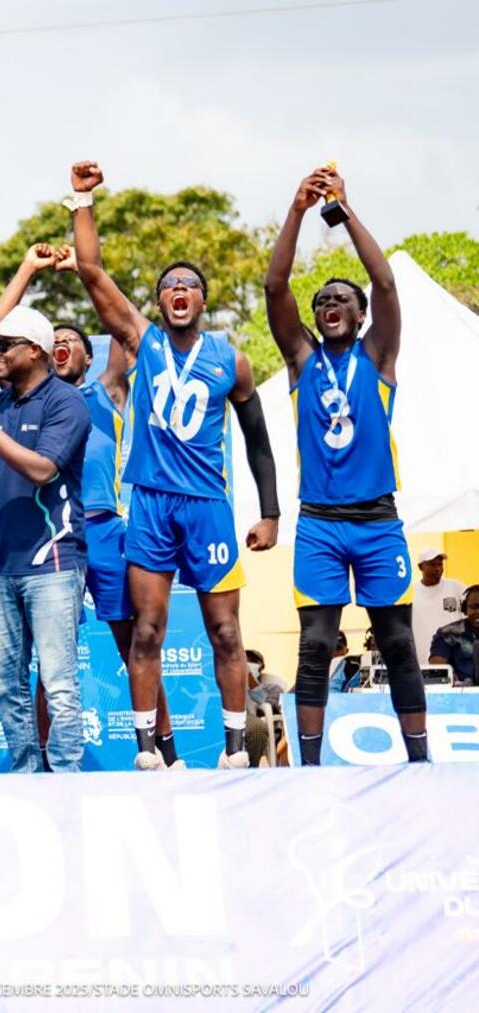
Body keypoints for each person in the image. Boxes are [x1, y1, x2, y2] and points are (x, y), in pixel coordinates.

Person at [70, 160, 280, 770]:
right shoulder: (144, 341)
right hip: (152, 504)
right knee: (147, 628)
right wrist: (82, 199)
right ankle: (148, 752)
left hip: (208, 506)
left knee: (226, 632)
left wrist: (269, 513)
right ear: (160, 301)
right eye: (168, 285)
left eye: (188, 283)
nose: (178, 290)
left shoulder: (231, 360)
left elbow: (259, 441)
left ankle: (234, 750)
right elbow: (91, 271)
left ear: (203, 299)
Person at [0, 243, 186, 771]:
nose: (62, 346)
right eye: (55, 340)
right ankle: (45, 763)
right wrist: (27, 270)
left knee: (135, 645)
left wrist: (86, 269)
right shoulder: (22, 399)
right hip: (51, 541)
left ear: (88, 357)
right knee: (49, 662)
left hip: (104, 532)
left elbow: (122, 324)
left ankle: (163, 752)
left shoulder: (107, 391)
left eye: (72, 342)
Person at [264, 165, 427, 764]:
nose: (331, 303)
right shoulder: (301, 360)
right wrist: (298, 209)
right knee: (315, 644)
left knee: (397, 642)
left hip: (378, 521)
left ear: (359, 318)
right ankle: (309, 767)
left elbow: (385, 283)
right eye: (323, 301)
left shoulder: (377, 357)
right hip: (320, 524)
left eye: (342, 300)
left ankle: (419, 762)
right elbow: (275, 288)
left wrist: (345, 210)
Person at [0, 298, 88, 773]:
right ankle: (28, 773)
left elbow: (44, 469)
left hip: (54, 562)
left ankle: (66, 776)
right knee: (5, 681)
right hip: (4, 565)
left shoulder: (65, 401)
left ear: (37, 350)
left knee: (58, 683)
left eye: (6, 344)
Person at [412, 549, 465, 671]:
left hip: (456, 661)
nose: (438, 569)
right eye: (432, 565)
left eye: (440, 564)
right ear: (420, 567)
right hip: (420, 660)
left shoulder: (456, 587)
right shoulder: (411, 593)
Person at [429, 585, 479, 686]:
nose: (478, 612)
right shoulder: (448, 633)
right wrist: (452, 679)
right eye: (474, 607)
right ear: (465, 608)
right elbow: (437, 668)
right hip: (460, 692)